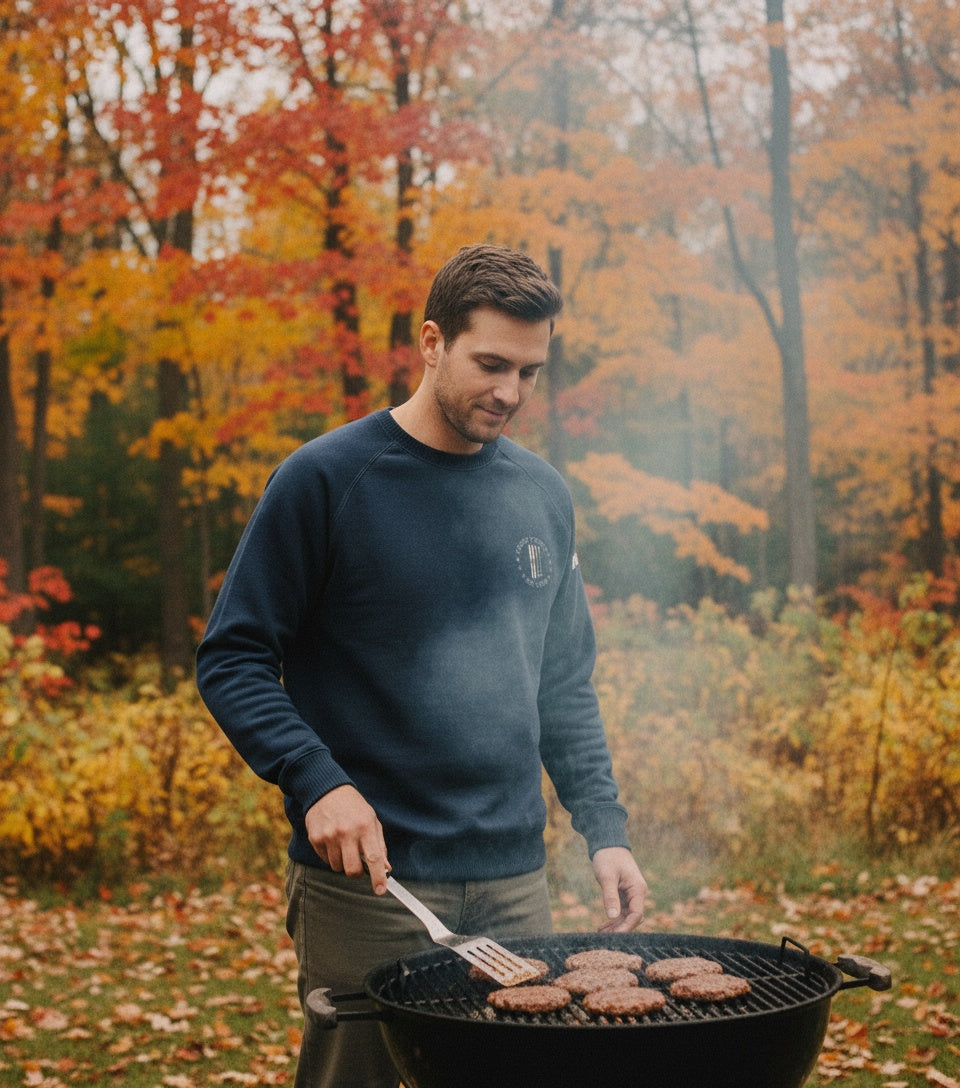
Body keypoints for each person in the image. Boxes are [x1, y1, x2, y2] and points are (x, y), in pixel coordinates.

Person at [196, 243, 648, 1088]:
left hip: (515, 877)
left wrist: (605, 829)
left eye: (530, 371)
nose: (510, 393)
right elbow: (234, 656)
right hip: (371, 884)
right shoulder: (325, 480)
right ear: (432, 342)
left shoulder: (544, 495)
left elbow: (562, 686)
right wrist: (315, 780)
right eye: (490, 364)